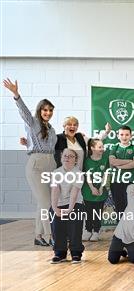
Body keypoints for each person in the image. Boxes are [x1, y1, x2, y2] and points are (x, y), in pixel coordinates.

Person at [3, 78, 57, 246]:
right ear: (40, 110)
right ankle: (51, 236)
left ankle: (38, 236)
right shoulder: (33, 122)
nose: (47, 113)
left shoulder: (51, 128)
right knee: (47, 203)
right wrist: (16, 95)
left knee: (42, 203)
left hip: (50, 165)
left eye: (50, 110)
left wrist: (28, 142)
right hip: (37, 166)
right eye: (45, 110)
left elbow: (46, 145)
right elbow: (24, 112)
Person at [49, 149, 85, 264]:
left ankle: (76, 253)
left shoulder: (78, 174)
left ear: (75, 160)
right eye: (65, 156)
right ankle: (60, 253)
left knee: (74, 227)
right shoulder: (56, 172)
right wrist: (55, 208)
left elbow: (74, 193)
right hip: (59, 204)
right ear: (61, 158)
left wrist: (69, 209)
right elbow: (55, 190)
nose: (67, 158)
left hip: (75, 204)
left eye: (71, 156)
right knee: (56, 225)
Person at [81, 138, 109, 242]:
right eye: (100, 147)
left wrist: (101, 187)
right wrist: (92, 188)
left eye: (103, 147)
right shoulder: (87, 160)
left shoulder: (105, 159)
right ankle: (88, 230)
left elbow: (106, 175)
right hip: (89, 191)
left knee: (98, 212)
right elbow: (87, 176)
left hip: (101, 191)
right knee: (88, 212)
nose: (102, 149)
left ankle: (96, 231)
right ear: (92, 148)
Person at [109, 125, 134, 214]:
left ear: (131, 136)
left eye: (127, 135)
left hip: (131, 181)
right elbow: (112, 162)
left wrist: (120, 166)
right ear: (118, 136)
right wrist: (129, 161)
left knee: (131, 205)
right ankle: (121, 226)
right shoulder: (114, 148)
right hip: (116, 181)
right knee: (119, 205)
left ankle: (130, 227)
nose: (124, 137)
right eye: (122, 134)